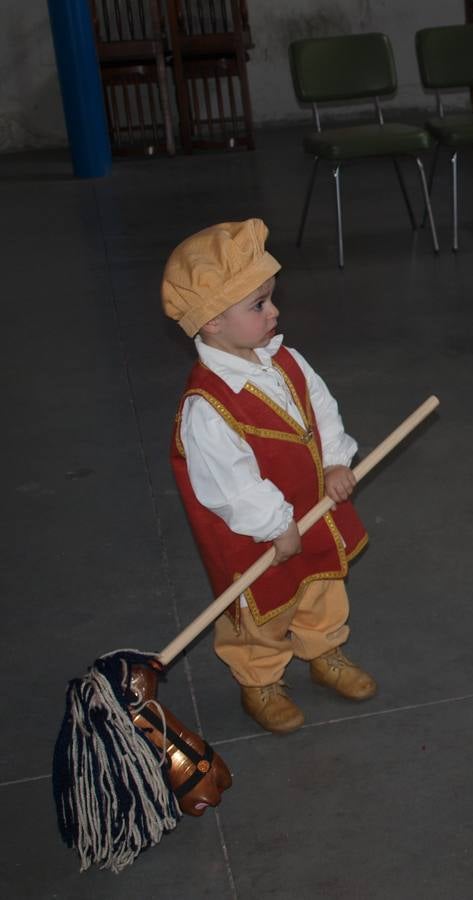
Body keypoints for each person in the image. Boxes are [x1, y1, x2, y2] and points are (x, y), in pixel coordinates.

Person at [162, 219, 376, 735]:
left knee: (322, 585)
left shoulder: (287, 361)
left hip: (311, 511)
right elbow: (229, 485)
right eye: (258, 305)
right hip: (255, 536)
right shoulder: (207, 408)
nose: (274, 311)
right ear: (213, 321)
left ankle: (324, 651)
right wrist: (275, 524)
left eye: (270, 298)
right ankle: (259, 679)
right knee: (261, 610)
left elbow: (321, 411)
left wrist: (335, 461)